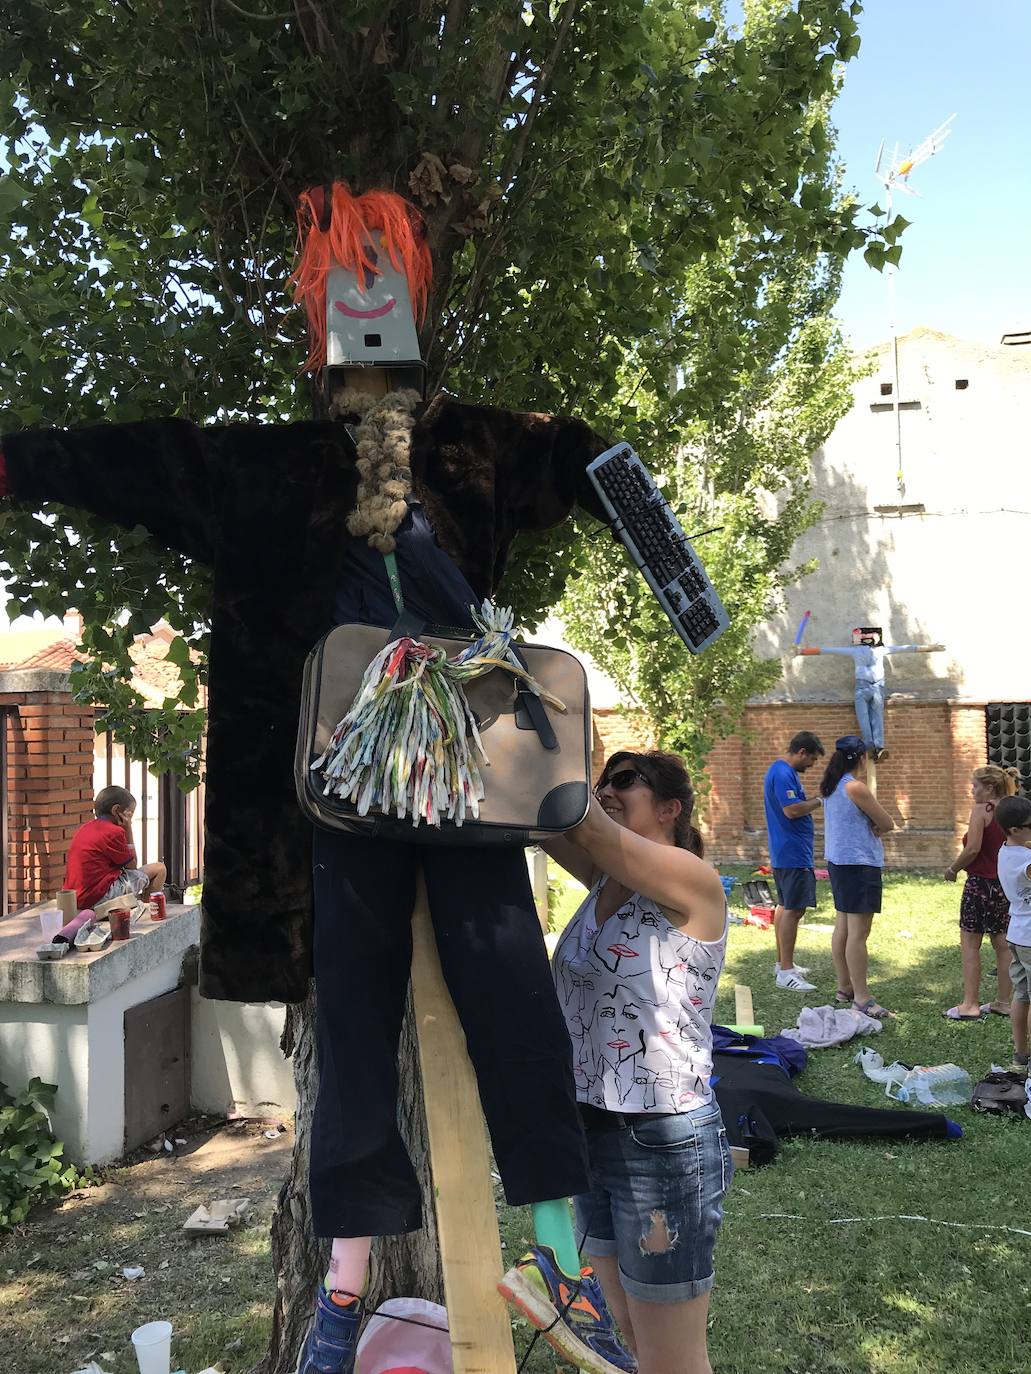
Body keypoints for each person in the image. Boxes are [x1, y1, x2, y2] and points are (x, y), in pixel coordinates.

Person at [535, 750, 731, 1374]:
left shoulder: (692, 881)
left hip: (662, 1141)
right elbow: (541, 819)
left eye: (625, 781)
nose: (607, 790)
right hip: (591, 1128)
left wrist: (549, 735)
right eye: (603, 781)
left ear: (671, 808)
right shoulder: (601, 884)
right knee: (629, 1331)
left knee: (673, 1357)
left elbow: (583, 822)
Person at [819, 735, 896, 1019]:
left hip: (839, 862)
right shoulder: (856, 788)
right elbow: (887, 822)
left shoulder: (831, 786)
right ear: (862, 758)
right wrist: (878, 826)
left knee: (843, 926)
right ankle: (862, 999)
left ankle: (845, 987)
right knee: (858, 934)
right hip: (860, 863)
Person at [942, 765, 1019, 1021]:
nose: (971, 790)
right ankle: (1003, 1002)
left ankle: (970, 1004)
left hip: (980, 885)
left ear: (989, 788)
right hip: (1004, 885)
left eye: (974, 785)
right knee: (1003, 945)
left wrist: (953, 868)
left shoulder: (981, 810)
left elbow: (973, 848)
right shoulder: (1010, 810)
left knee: (971, 945)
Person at [798, 629, 944, 760]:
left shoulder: (856, 651)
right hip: (876, 687)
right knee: (876, 718)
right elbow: (905, 648)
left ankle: (871, 745)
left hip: (864, 686)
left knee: (864, 717)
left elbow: (827, 650)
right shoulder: (880, 650)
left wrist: (801, 651)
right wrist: (931, 648)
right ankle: (878, 746)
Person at [762, 730, 825, 992]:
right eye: (811, 759)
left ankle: (783, 964)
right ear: (801, 752)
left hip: (787, 851)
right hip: (791, 853)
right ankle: (786, 972)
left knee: (785, 905)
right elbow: (792, 810)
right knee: (794, 910)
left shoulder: (781, 772)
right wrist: (820, 801)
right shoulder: (783, 773)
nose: (811, 766)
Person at [64, 785, 166, 912]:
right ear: (116, 810)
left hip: (77, 898)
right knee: (159, 868)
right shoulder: (113, 832)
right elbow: (132, 866)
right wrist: (128, 829)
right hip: (98, 897)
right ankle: (148, 911)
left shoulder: (86, 828)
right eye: (130, 813)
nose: (130, 819)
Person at [994, 793, 1031, 1074]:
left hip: (1017, 934)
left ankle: (1021, 1055)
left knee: (1022, 995)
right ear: (1015, 829)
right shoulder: (1025, 861)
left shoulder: (1006, 851)